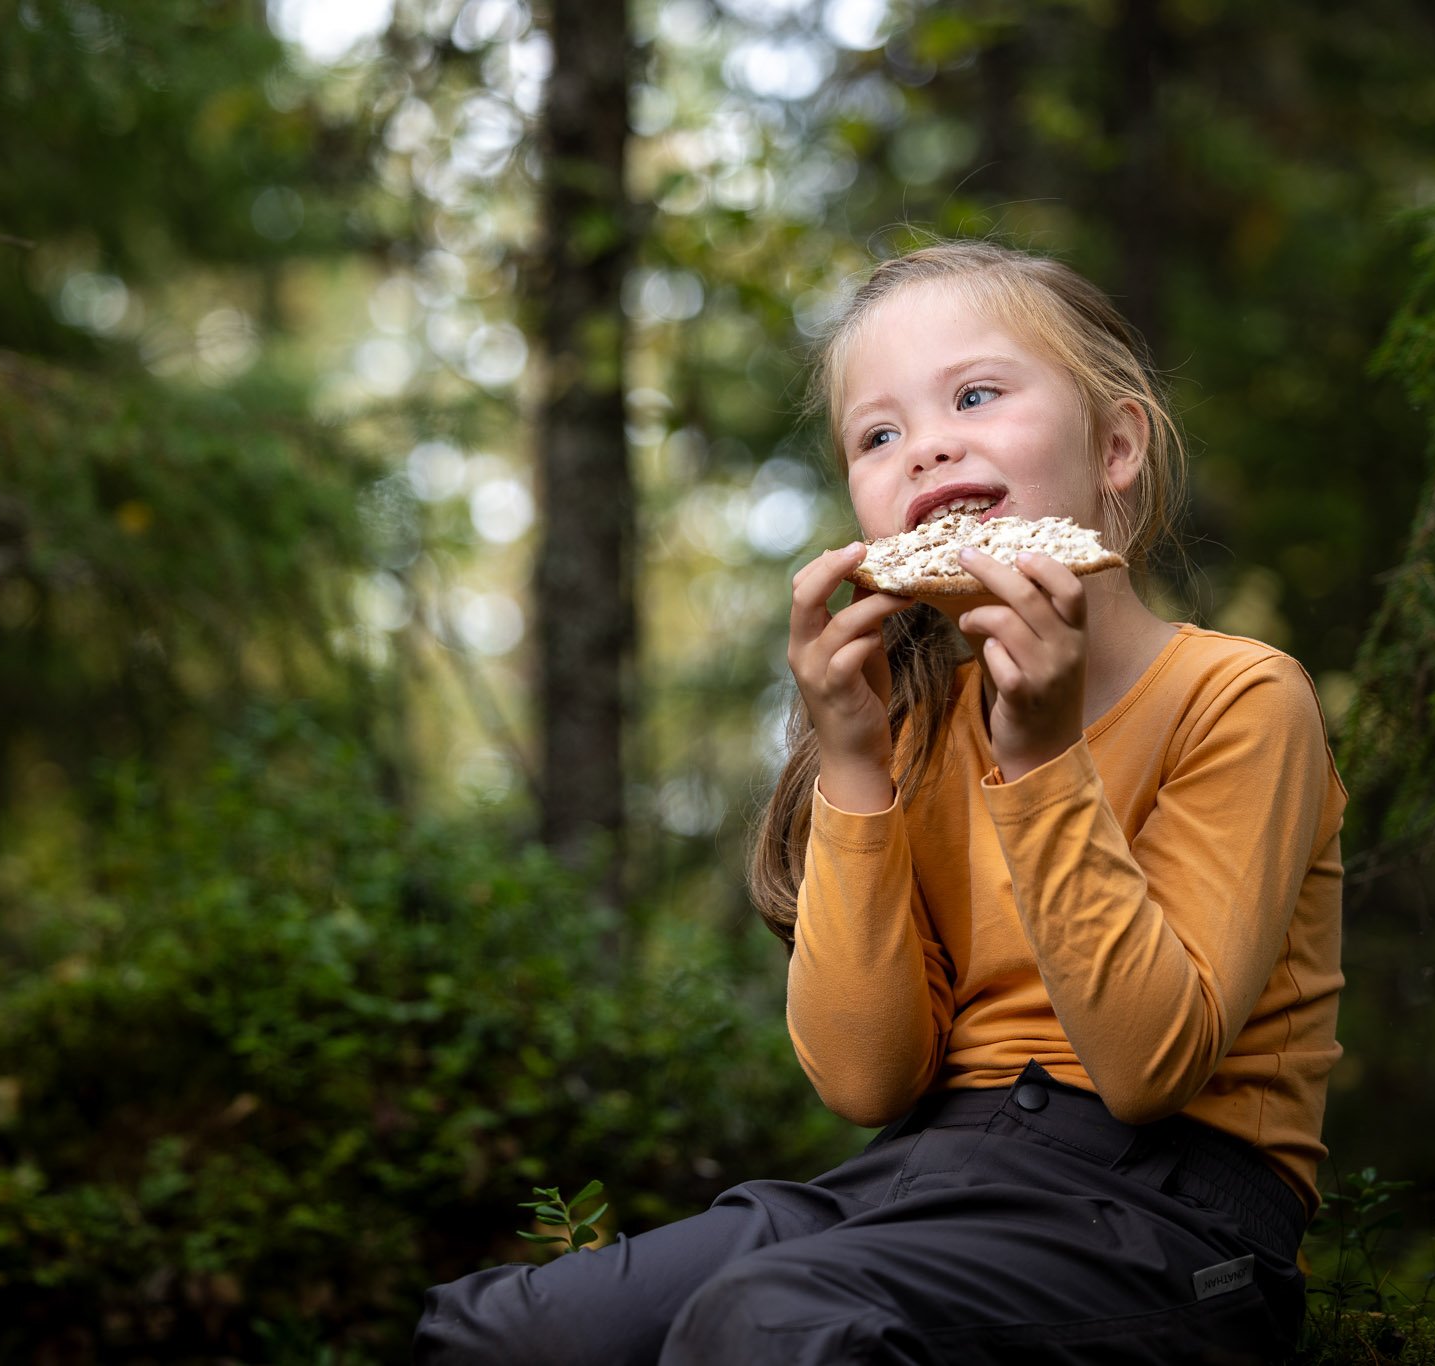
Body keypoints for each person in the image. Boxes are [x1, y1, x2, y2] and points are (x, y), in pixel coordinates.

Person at [413, 239, 1345, 1365]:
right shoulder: (909, 732)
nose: (930, 444)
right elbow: (866, 1080)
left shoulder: (1236, 695)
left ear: (1114, 445)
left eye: (976, 395)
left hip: (1168, 1213)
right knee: (503, 1331)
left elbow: (1151, 1068)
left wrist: (1043, 759)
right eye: (878, 434)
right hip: (922, 1173)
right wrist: (852, 764)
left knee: (771, 1318)